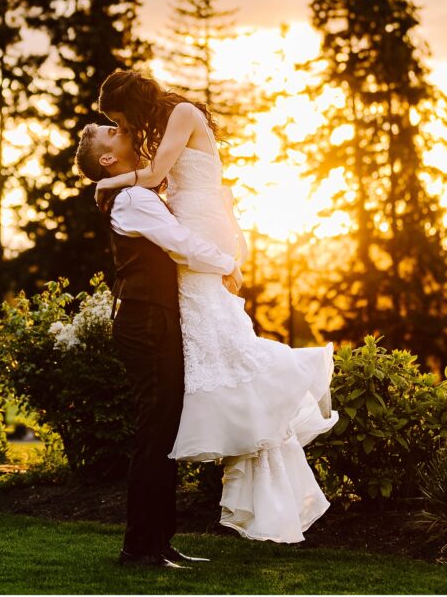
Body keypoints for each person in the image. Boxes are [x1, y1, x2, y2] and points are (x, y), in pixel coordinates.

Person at [92, 69, 338, 544]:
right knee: (212, 334)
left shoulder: (181, 114)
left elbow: (160, 176)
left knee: (216, 331)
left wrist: (108, 184)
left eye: (120, 118)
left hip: (199, 221)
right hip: (192, 223)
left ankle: (278, 378)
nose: (122, 128)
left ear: (134, 102)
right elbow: (159, 186)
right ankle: (243, 407)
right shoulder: (159, 136)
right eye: (114, 126)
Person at [76, 123, 242, 569]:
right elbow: (180, 243)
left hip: (156, 319)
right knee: (154, 435)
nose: (121, 130)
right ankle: (138, 548)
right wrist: (226, 264)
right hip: (144, 320)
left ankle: (160, 542)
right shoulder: (131, 199)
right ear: (108, 159)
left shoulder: (137, 190)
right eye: (111, 133)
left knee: (164, 433)